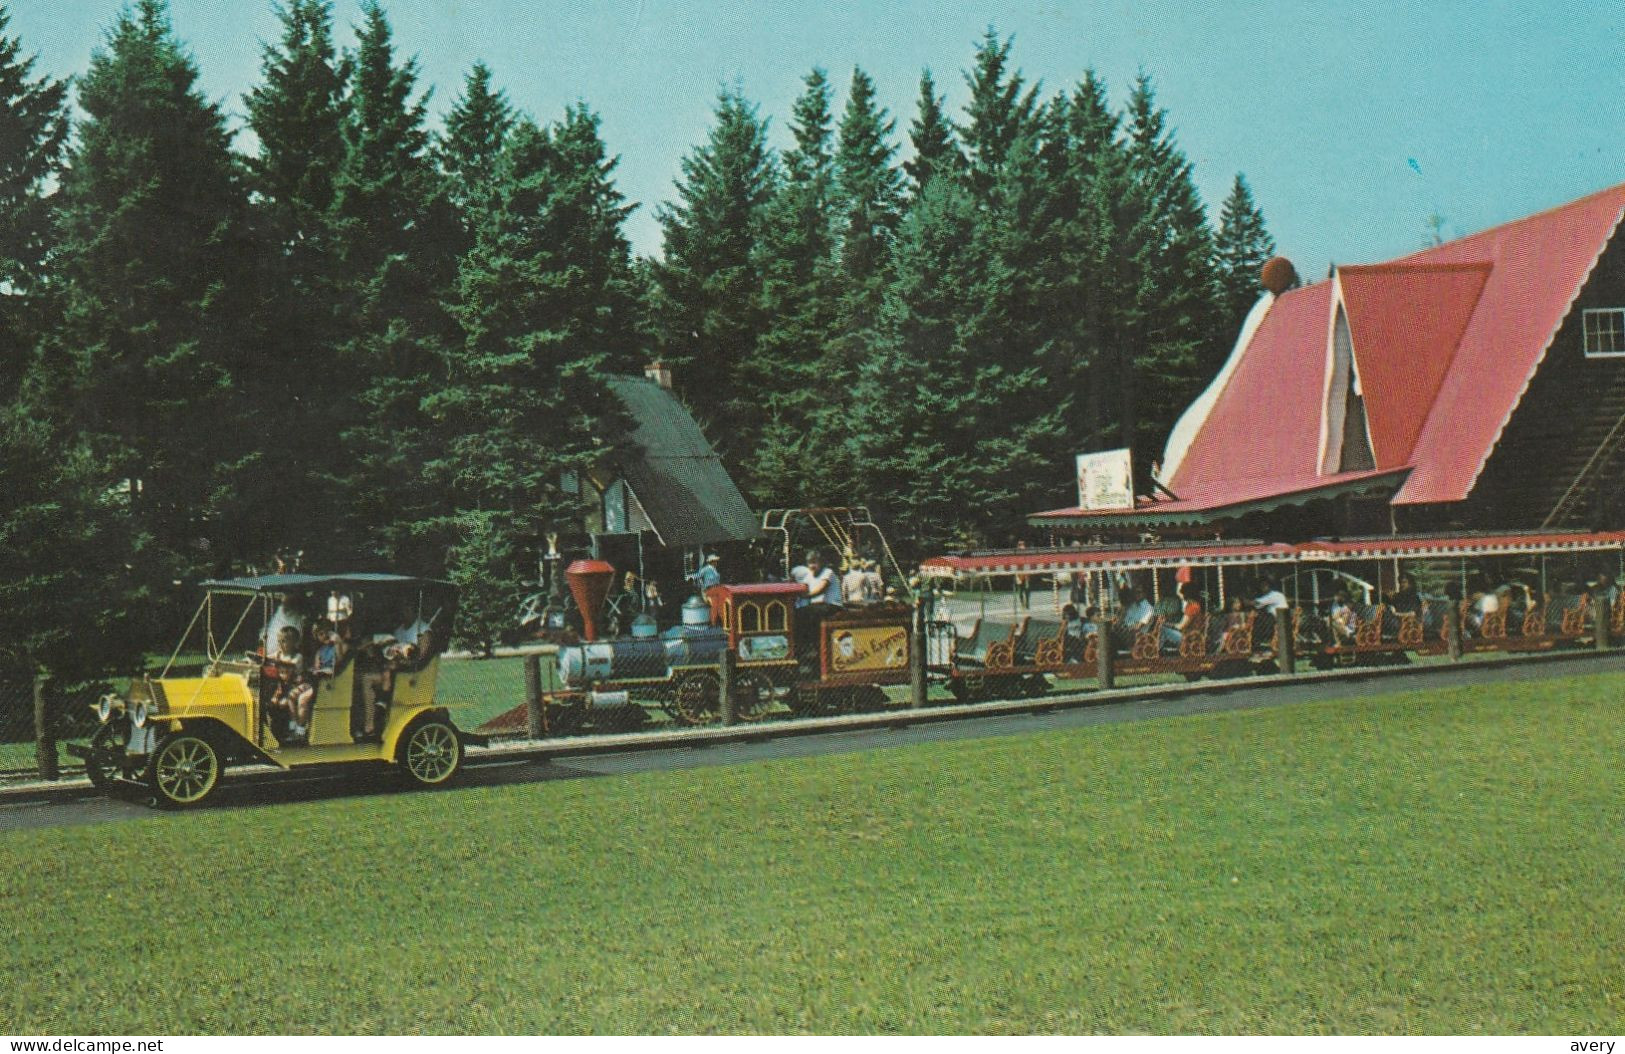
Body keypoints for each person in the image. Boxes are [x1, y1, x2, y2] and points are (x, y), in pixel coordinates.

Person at [270, 624, 314, 744]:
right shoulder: (279, 654)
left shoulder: (297, 657)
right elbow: (267, 658)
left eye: (284, 641)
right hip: (286, 686)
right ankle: (283, 729)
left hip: (301, 684)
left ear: (294, 643)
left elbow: (290, 668)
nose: (280, 644)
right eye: (279, 641)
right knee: (274, 700)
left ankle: (299, 729)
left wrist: (275, 662)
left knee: (291, 698)